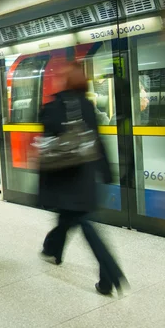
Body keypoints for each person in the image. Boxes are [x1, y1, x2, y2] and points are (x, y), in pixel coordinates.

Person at [39, 64, 126, 295]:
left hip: (63, 179)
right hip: (85, 178)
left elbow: (45, 151)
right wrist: (106, 172)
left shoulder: (52, 107)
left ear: (65, 83)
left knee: (84, 225)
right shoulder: (87, 107)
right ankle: (53, 251)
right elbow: (97, 141)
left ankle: (111, 274)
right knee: (68, 219)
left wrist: (42, 186)